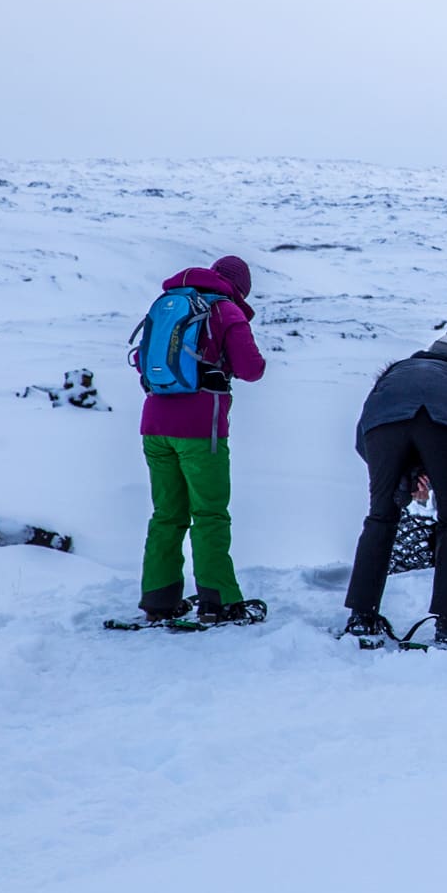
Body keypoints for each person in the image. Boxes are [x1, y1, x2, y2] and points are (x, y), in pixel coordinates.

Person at [133, 255, 267, 622]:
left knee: (166, 515)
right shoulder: (226, 311)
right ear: (241, 287)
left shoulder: (168, 304)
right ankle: (219, 599)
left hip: (154, 426)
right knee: (209, 513)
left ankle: (159, 599)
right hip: (199, 429)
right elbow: (251, 369)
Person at [341, 351, 447, 645]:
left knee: (380, 517)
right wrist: (430, 471)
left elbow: (363, 438)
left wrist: (405, 479)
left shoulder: (389, 377)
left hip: (382, 427)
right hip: (445, 424)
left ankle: (361, 616)